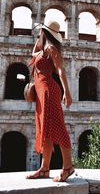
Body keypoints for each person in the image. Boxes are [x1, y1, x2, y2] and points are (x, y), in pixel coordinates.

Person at [26, 20, 75, 182]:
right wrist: (40, 36)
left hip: (48, 90)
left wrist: (67, 92)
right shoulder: (42, 49)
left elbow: (61, 70)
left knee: (58, 127)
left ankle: (68, 167)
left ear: (45, 33)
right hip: (41, 93)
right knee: (45, 129)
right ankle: (44, 168)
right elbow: (33, 54)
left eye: (42, 31)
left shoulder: (51, 48)